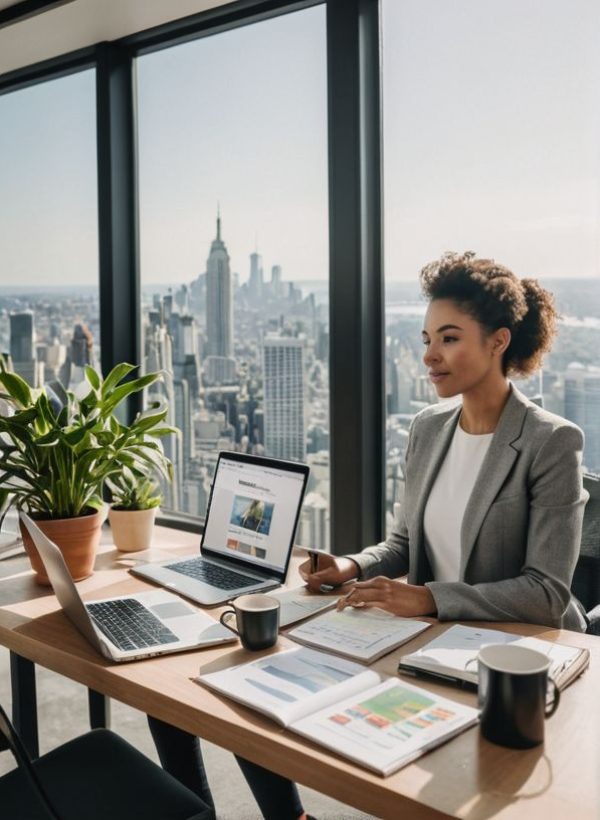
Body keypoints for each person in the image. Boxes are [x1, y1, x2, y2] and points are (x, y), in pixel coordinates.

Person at [303, 250, 588, 631]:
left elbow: (547, 594)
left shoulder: (551, 442)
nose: (429, 356)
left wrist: (430, 598)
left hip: (523, 649)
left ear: (498, 342)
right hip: (436, 638)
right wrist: (351, 565)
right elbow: (405, 543)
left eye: (449, 339)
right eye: (426, 340)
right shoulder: (427, 428)